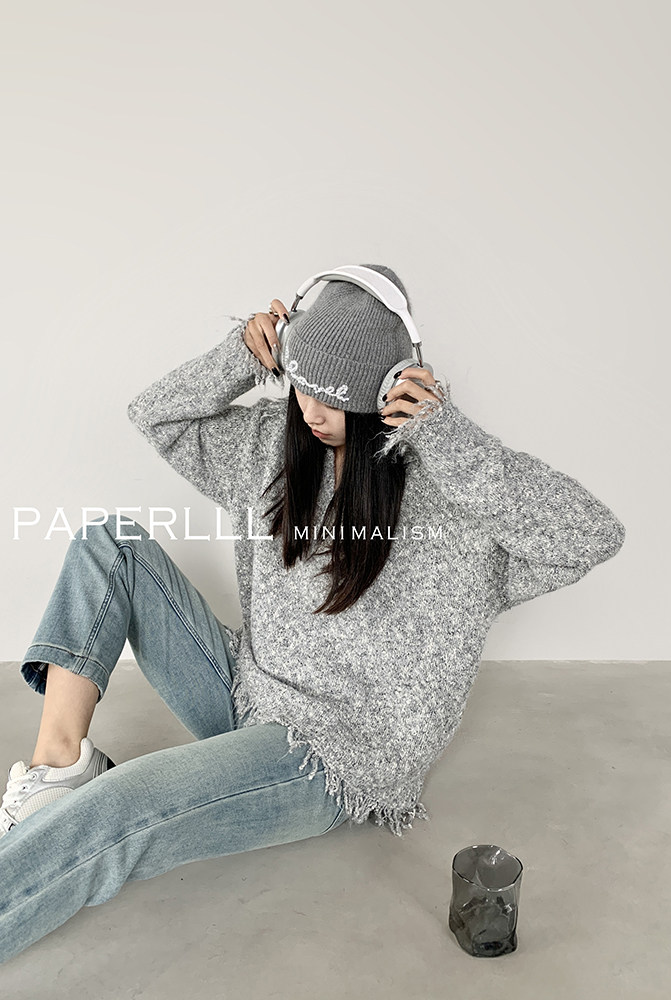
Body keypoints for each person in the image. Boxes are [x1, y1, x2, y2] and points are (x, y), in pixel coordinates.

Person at [0, 264, 625, 964]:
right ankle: (59, 767)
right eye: (302, 385)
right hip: (244, 690)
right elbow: (155, 414)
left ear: (387, 393)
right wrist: (239, 357)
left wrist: (448, 438)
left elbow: (591, 534)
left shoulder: (452, 499)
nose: (312, 412)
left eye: (335, 398)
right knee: (108, 544)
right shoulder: (272, 445)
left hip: (329, 756)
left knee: (123, 808)